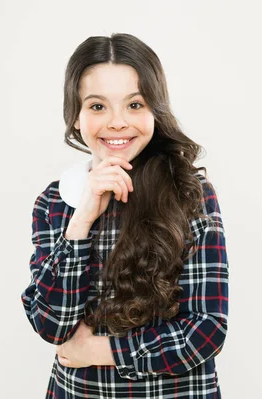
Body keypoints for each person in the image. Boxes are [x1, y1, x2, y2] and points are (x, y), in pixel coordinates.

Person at [21, 33, 229, 399]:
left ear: (155, 110)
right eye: (98, 107)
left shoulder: (189, 192)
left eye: (134, 105)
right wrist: (81, 220)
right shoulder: (56, 201)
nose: (117, 123)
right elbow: (52, 325)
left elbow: (206, 330)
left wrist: (100, 351)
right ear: (75, 117)